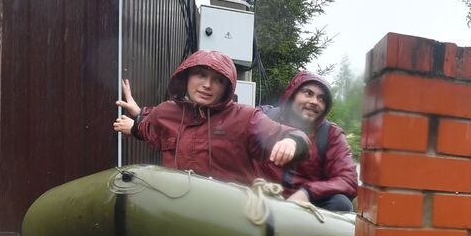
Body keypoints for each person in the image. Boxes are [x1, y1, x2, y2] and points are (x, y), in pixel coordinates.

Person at [112, 51, 308, 185]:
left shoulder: (247, 118)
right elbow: (147, 127)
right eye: (201, 75)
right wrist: (136, 120)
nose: (207, 84)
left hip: (229, 218)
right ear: (187, 77)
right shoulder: (166, 112)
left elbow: (295, 136)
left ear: (227, 87)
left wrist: (292, 141)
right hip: (178, 208)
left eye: (218, 80)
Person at [256, 70, 359, 212]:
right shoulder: (264, 116)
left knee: (341, 203)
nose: (314, 102)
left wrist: (308, 192)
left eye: (322, 98)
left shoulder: (331, 135)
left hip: (306, 211)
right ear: (293, 95)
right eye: (308, 93)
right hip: (260, 197)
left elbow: (348, 179)